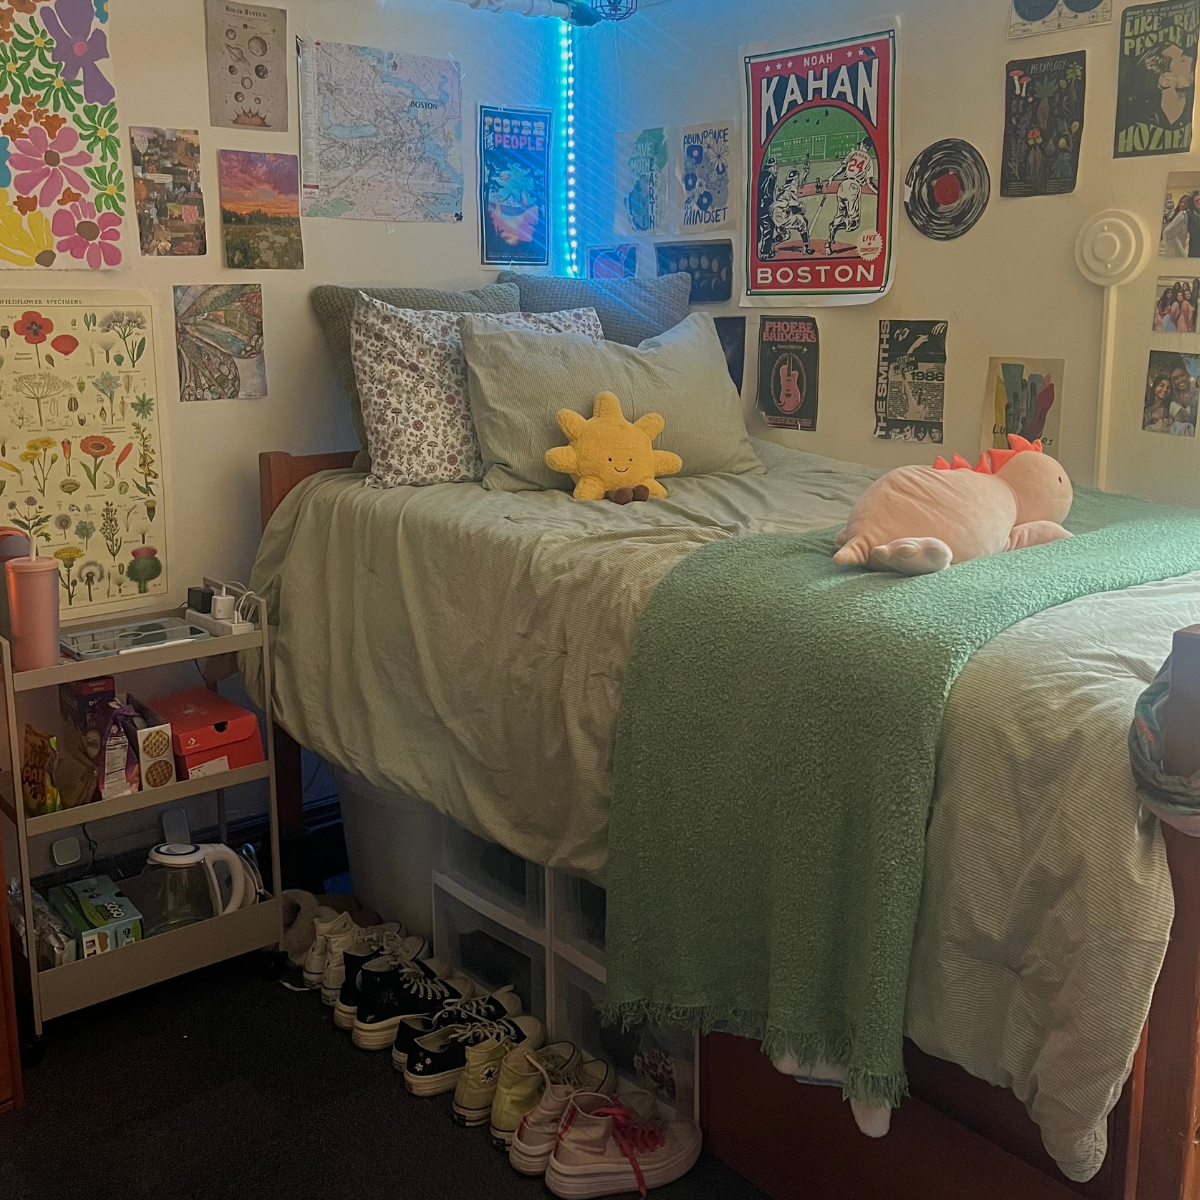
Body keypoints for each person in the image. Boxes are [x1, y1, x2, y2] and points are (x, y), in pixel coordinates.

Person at [756, 157, 780, 260]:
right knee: (768, 227)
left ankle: (760, 248)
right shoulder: (771, 176)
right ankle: (765, 252)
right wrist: (769, 207)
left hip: (755, 206)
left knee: (757, 229)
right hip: (763, 207)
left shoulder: (760, 173)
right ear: (773, 167)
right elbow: (767, 194)